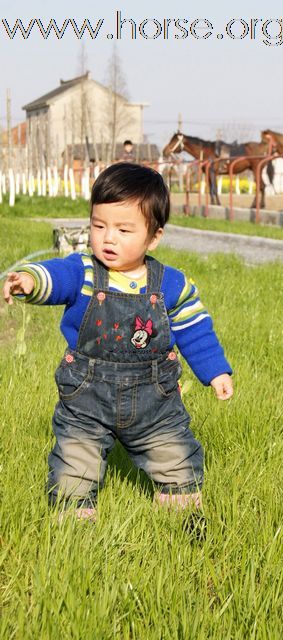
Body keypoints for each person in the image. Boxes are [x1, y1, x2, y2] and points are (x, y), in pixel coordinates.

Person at [3, 163, 233, 523]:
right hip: (86, 398)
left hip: (155, 403)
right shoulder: (83, 271)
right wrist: (29, 282)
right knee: (76, 457)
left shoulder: (170, 284)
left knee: (173, 452)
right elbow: (54, 275)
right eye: (99, 226)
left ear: (153, 236)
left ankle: (181, 509)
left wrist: (215, 371)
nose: (108, 238)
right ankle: (75, 517)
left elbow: (195, 328)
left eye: (124, 229)